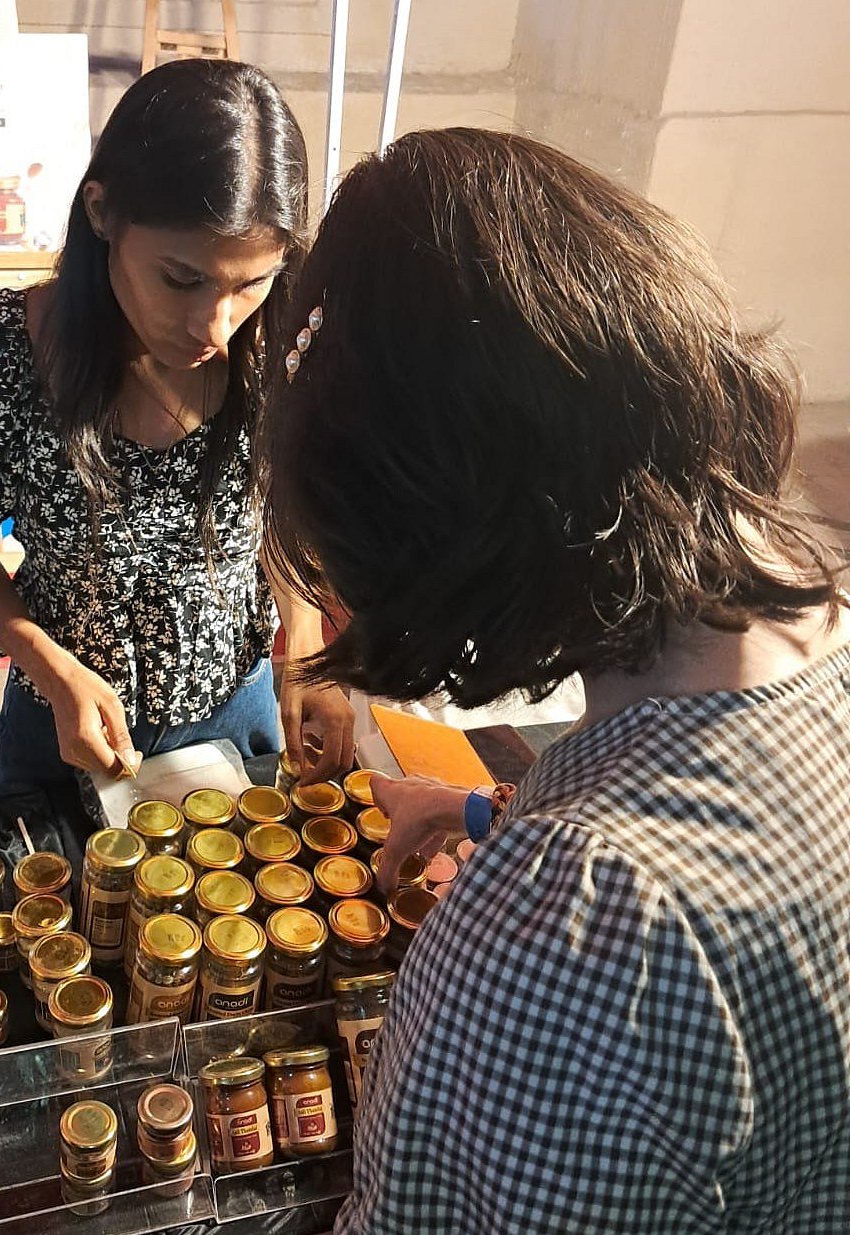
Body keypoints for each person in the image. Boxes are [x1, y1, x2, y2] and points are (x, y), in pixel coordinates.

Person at [260, 128, 850, 1232]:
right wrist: (500, 805)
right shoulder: (822, 645)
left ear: (436, 530)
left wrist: (535, 871)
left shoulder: (578, 936)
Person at [0, 59, 354, 831]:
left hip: (235, 707)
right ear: (102, 212)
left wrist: (305, 645)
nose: (215, 327)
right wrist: (55, 669)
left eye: (250, 283)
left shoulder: (280, 342)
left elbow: (281, 512)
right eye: (181, 279)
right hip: (63, 717)